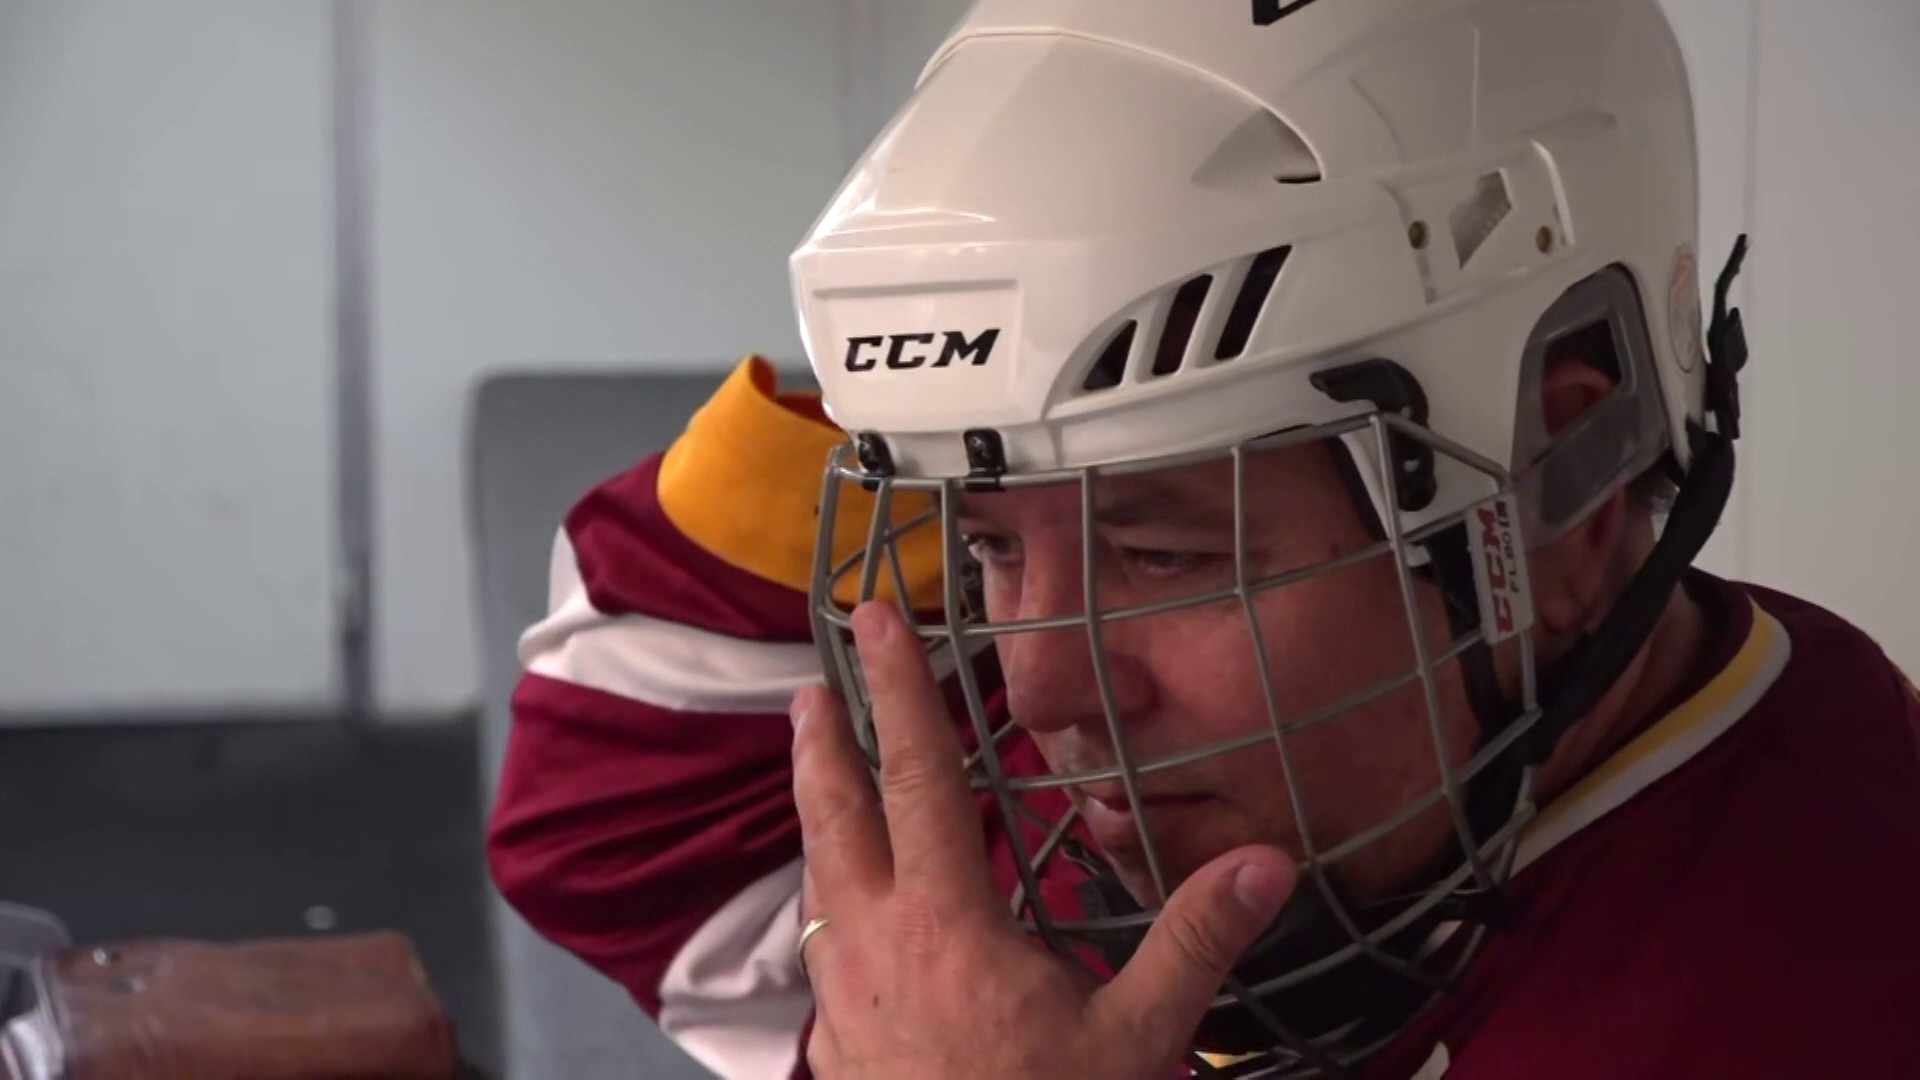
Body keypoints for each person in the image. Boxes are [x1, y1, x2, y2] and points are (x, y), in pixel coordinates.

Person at [488, 1, 1920, 1077]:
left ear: (1565, 493)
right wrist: (994, 402)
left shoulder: (1813, 987)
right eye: (984, 554)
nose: (1040, 695)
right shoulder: (1185, 799)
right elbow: (614, 814)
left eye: (1167, 552)